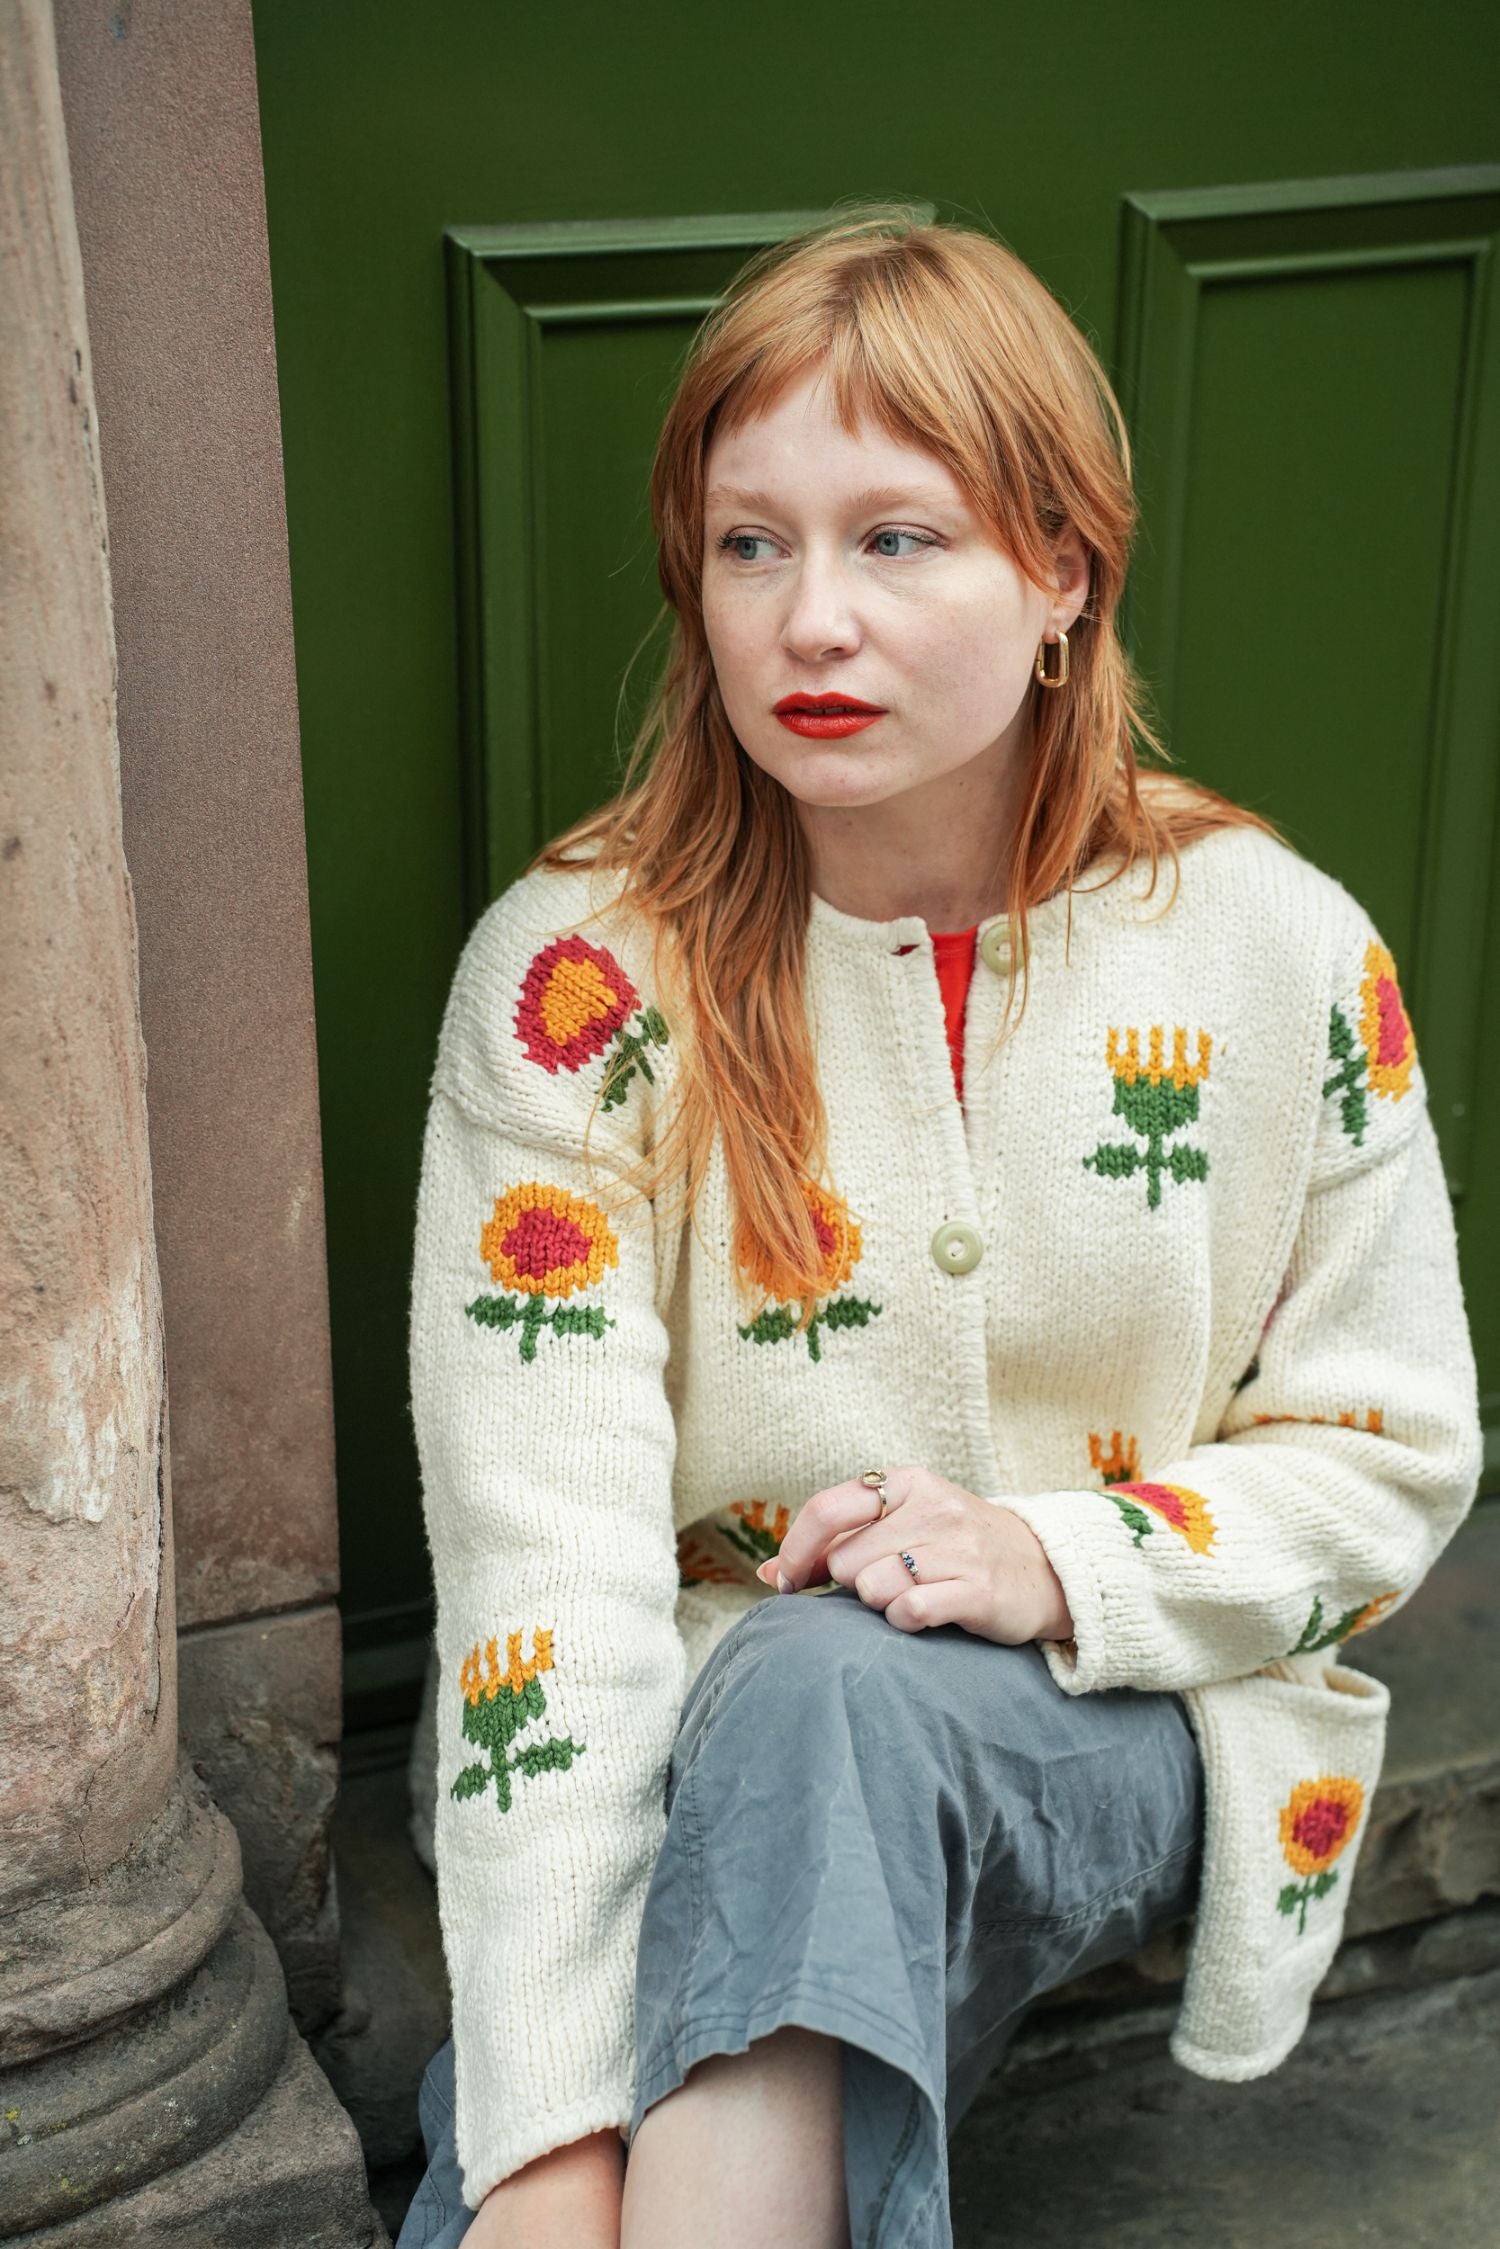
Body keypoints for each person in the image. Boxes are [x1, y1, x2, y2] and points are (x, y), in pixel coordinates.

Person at [396, 209, 1480, 2249]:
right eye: (752, 543)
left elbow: (1395, 1450)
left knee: (830, 1702)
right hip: (708, 1732)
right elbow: (542, 1575)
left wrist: (1044, 1558)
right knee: (759, 1788)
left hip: (1131, 1708)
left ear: (1064, 570)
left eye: (899, 539)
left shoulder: (1277, 949)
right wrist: (544, 2157)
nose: (810, 621)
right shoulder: (575, 988)